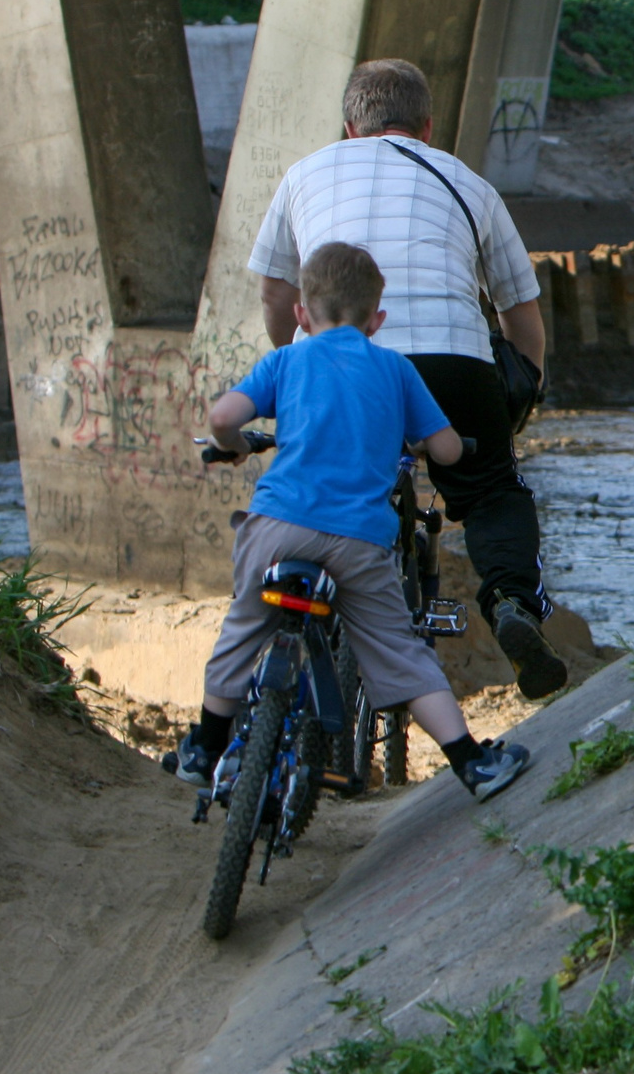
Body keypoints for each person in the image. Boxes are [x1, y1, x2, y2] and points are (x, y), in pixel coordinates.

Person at [248, 58, 568, 699]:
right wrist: (524, 389)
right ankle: (510, 604)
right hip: (454, 361)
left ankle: (303, 617)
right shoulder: (470, 183)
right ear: (427, 127)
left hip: (342, 363)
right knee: (489, 490)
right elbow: (520, 314)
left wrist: (292, 368)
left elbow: (276, 295)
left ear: (348, 127)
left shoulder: (303, 174)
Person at [178, 242, 531, 803]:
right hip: (357, 541)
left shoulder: (286, 360)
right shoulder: (395, 369)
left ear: (300, 312)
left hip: (277, 526)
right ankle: (472, 763)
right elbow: (443, 449)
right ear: (377, 319)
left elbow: (222, 417)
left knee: (243, 629)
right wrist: (432, 444)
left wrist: (237, 444)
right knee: (397, 649)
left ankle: (204, 749)